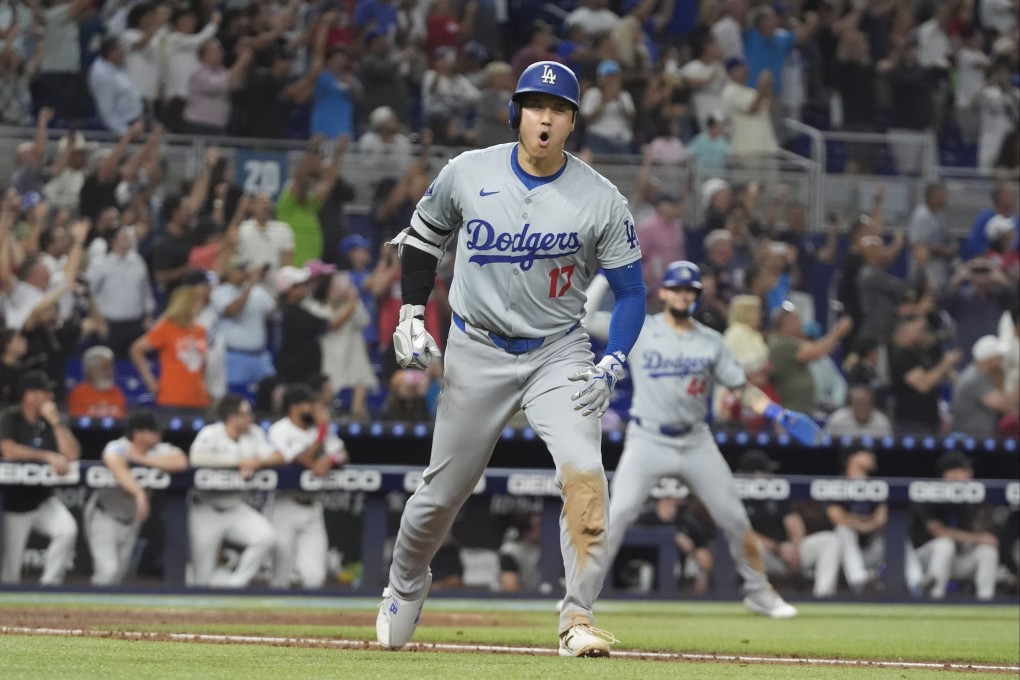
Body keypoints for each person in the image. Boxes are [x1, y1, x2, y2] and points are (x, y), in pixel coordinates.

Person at [377, 61, 647, 658]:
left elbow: (632, 294)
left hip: (559, 351)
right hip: (477, 348)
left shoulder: (601, 199)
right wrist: (412, 313)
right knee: (443, 495)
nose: (544, 117)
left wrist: (613, 360)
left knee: (585, 475)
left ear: (573, 122)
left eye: (557, 109)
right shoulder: (467, 173)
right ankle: (404, 583)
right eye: (534, 106)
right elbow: (423, 238)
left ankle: (577, 616)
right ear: (516, 114)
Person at [607, 261, 825, 620]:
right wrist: (598, 290)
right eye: (676, 288)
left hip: (696, 440)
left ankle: (760, 593)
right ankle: (580, 600)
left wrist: (776, 414)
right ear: (663, 292)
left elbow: (742, 389)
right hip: (648, 437)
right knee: (618, 514)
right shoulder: (640, 329)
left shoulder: (711, 341)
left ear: (696, 296)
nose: (682, 295)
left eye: (689, 290)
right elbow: (590, 322)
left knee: (735, 517)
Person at [258, 384, 348, 589]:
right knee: (279, 577)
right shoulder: (280, 430)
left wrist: (331, 460)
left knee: (314, 577)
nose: (316, 409)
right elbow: (304, 459)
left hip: (313, 507)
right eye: (310, 404)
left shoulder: (318, 429)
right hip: (284, 505)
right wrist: (323, 433)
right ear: (294, 407)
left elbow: (342, 453)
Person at [85, 411, 188, 585]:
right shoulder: (118, 446)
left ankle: (107, 612)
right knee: (107, 572)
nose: (158, 434)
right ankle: (85, 610)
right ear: (138, 433)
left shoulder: (158, 450)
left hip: (131, 519)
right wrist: (139, 493)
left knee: (120, 573)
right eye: (153, 431)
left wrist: (142, 460)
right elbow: (115, 464)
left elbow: (182, 462)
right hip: (105, 515)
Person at [187, 395, 277, 588]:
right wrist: (237, 462)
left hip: (235, 507)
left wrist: (257, 462)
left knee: (265, 536)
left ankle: (234, 586)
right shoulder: (212, 433)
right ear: (232, 417)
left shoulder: (254, 434)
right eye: (245, 414)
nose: (250, 418)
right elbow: (196, 458)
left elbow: (277, 456)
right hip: (206, 509)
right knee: (201, 578)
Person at [0, 371, 80, 585]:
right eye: (45, 392)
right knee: (10, 573)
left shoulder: (52, 421)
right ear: (30, 395)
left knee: (67, 530)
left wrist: (55, 423)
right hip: (13, 504)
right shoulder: (10, 417)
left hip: (43, 499)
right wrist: (46, 455)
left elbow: (72, 454)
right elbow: (8, 450)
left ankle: (50, 585)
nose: (50, 396)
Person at [738, 449, 842, 598]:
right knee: (746, 544)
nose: (770, 475)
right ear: (755, 474)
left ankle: (822, 597)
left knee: (830, 540)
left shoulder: (776, 491)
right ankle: (753, 594)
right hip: (766, 554)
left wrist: (794, 548)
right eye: (766, 471)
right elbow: (743, 532)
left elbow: (793, 521)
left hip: (789, 552)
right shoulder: (738, 497)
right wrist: (777, 548)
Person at [907, 452, 1000, 600]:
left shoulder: (970, 498)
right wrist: (977, 537)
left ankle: (986, 600)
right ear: (949, 474)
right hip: (922, 560)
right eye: (964, 469)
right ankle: (934, 597)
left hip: (955, 559)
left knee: (987, 550)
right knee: (945, 544)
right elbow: (938, 531)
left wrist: (981, 534)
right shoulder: (929, 493)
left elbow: (982, 531)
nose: (970, 473)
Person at [130, 284, 211, 411]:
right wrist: (150, 380)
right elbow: (136, 350)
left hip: (199, 398)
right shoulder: (167, 327)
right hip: (172, 398)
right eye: (198, 301)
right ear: (187, 304)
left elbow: (203, 363)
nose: (202, 304)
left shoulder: (201, 330)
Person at [826, 450, 887, 594]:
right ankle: (859, 582)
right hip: (841, 557)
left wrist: (862, 524)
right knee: (843, 530)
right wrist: (867, 522)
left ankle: (916, 582)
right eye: (867, 454)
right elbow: (838, 519)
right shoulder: (836, 483)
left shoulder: (876, 485)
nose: (873, 457)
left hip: (871, 550)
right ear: (853, 457)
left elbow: (882, 518)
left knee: (895, 532)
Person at [950, 335, 1019, 438]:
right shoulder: (975, 378)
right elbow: (1005, 406)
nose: (1002, 362)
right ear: (989, 360)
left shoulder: (981, 376)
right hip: (966, 441)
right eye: (999, 357)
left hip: (975, 440)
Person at [67, 345, 127, 418]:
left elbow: (122, 419)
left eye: (110, 367)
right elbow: (76, 422)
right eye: (105, 367)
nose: (110, 372)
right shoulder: (78, 393)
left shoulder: (116, 391)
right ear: (90, 370)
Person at [824, 385, 893, 439]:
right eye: (858, 403)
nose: (861, 407)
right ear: (851, 405)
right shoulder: (837, 420)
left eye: (865, 403)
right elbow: (825, 444)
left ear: (872, 406)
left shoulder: (882, 422)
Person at [499, 512, 543, 592]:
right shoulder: (510, 550)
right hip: (509, 600)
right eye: (539, 526)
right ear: (525, 530)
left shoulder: (545, 549)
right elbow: (510, 587)